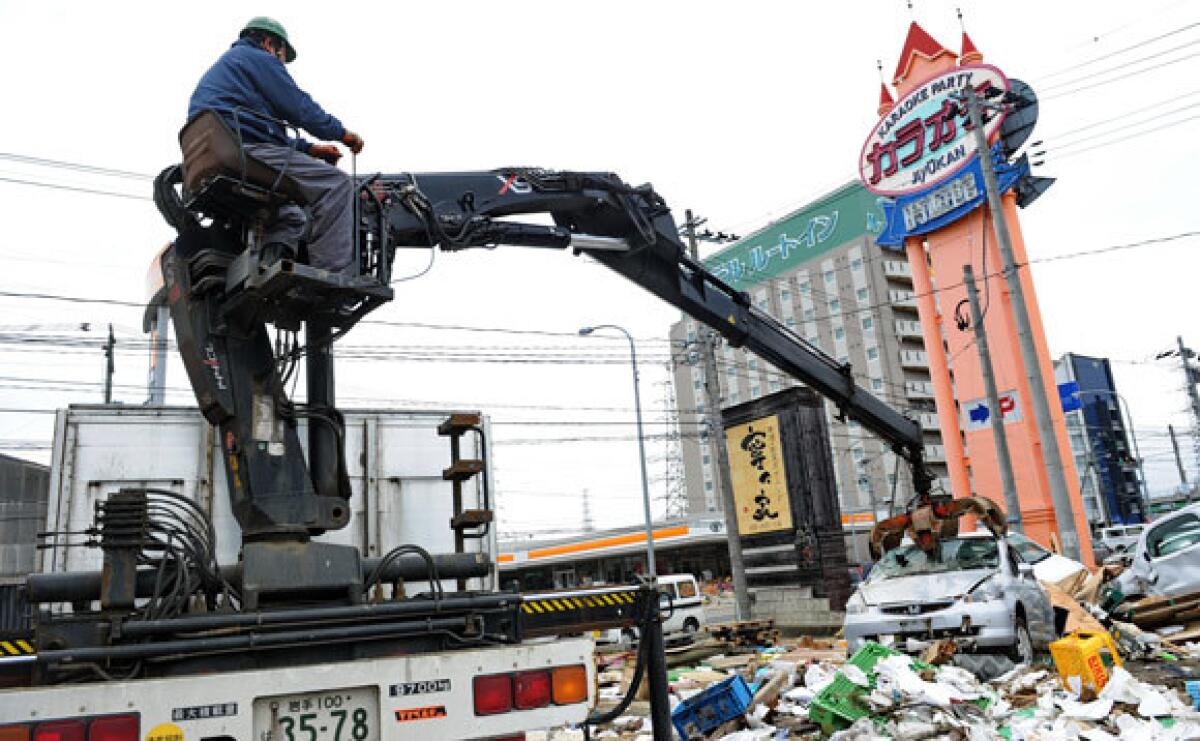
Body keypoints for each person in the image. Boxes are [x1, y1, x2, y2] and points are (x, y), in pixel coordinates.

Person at [187, 17, 364, 272]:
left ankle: (268, 269)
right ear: (270, 43)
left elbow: (262, 129)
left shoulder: (229, 69)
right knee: (336, 184)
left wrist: (310, 149)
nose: (281, 64)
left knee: (291, 215)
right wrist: (342, 134)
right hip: (244, 151)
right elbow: (299, 107)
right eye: (282, 57)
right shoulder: (258, 58)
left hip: (221, 153)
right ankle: (330, 274)